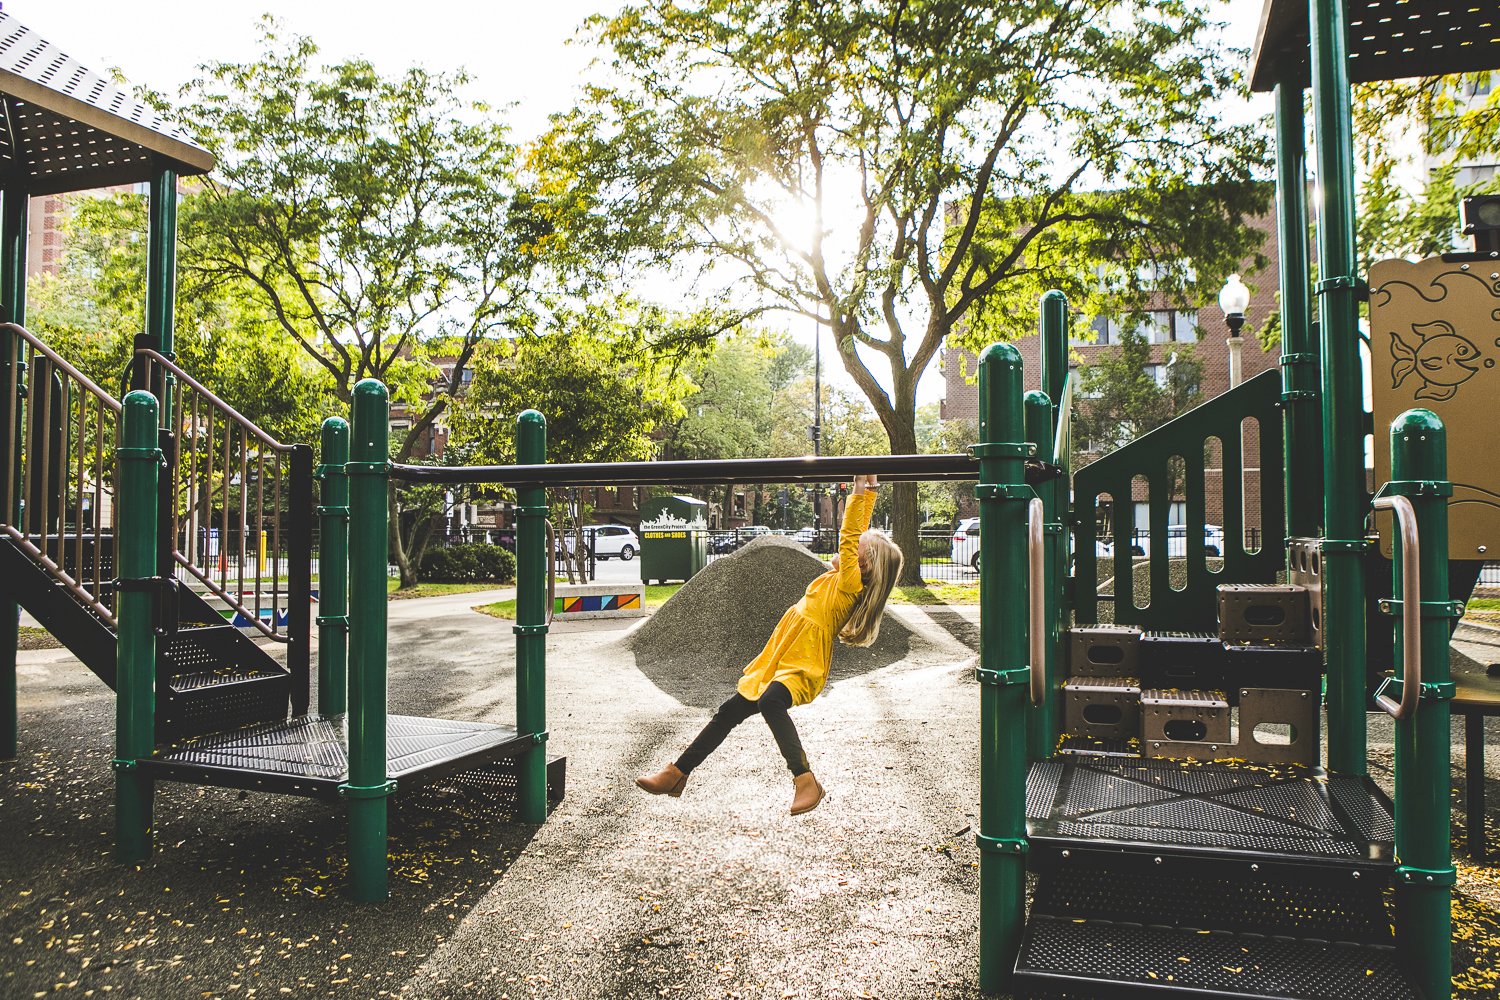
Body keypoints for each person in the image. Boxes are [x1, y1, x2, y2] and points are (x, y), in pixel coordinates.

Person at [635, 474, 904, 815]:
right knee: (729, 712)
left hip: (803, 660)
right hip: (780, 655)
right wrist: (871, 494)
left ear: (862, 565)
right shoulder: (842, 578)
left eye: (856, 552)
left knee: (771, 702)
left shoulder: (850, 584)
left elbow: (851, 535)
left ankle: (805, 779)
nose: (846, 550)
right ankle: (677, 774)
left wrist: (858, 491)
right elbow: (857, 536)